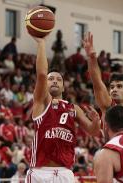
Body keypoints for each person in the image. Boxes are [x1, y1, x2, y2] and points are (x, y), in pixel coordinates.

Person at [25, 36, 101, 183]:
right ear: (45, 84)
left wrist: (96, 120)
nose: (54, 81)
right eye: (51, 79)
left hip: (65, 173)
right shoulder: (42, 101)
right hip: (40, 172)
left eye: (59, 79)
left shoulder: (74, 108)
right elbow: (41, 74)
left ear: (64, 86)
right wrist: (41, 43)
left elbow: (93, 131)